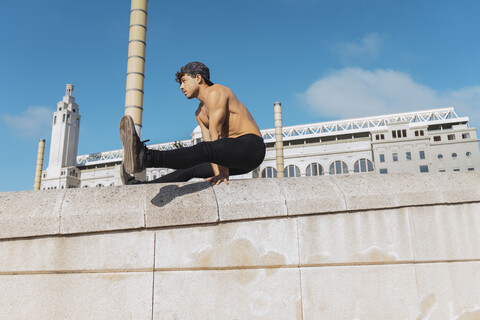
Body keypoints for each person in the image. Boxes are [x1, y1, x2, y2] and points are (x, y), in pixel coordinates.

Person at [119, 61, 265, 186]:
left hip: (251, 148)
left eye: (184, 81)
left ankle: (146, 157)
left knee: (204, 149)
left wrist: (224, 173)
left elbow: (216, 135)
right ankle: (138, 186)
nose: (181, 87)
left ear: (199, 78)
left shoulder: (217, 92)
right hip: (231, 155)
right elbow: (210, 146)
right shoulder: (199, 113)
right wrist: (218, 174)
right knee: (192, 167)